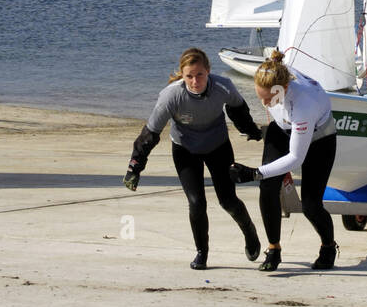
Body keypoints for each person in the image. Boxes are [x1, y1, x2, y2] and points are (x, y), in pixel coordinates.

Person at [123, 47, 263, 270]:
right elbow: (150, 134)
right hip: (185, 150)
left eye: (199, 75)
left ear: (208, 71)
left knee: (227, 200)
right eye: (189, 76)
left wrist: (253, 132)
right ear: (182, 75)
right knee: (196, 203)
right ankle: (202, 253)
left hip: (218, 147)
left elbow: (239, 111)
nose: (195, 81)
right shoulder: (171, 95)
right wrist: (134, 167)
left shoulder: (223, 86)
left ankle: (250, 233)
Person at [230, 50, 338, 272]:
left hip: (320, 140)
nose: (265, 103)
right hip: (281, 129)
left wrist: (253, 172)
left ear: (284, 89)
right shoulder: (275, 74)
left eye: (269, 99)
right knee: (267, 186)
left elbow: (295, 158)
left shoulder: (304, 105)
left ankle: (328, 246)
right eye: (260, 97)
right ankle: (274, 248)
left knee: (310, 205)